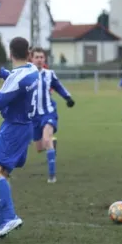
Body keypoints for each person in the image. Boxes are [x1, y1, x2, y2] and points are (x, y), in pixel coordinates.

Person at [0, 37, 39, 241]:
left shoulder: (18, 77)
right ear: (29, 53)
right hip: (26, 128)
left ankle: (10, 217)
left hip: (13, 129)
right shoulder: (32, 70)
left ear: (10, 53)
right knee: (2, 173)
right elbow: (16, 79)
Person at [30, 47, 74, 183]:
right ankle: (52, 142)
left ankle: (52, 175)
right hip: (33, 116)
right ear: (31, 59)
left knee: (46, 139)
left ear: (45, 59)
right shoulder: (26, 74)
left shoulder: (49, 74)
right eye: (36, 57)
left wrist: (68, 98)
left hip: (48, 112)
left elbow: (59, 86)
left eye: (41, 57)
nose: (39, 60)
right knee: (39, 147)